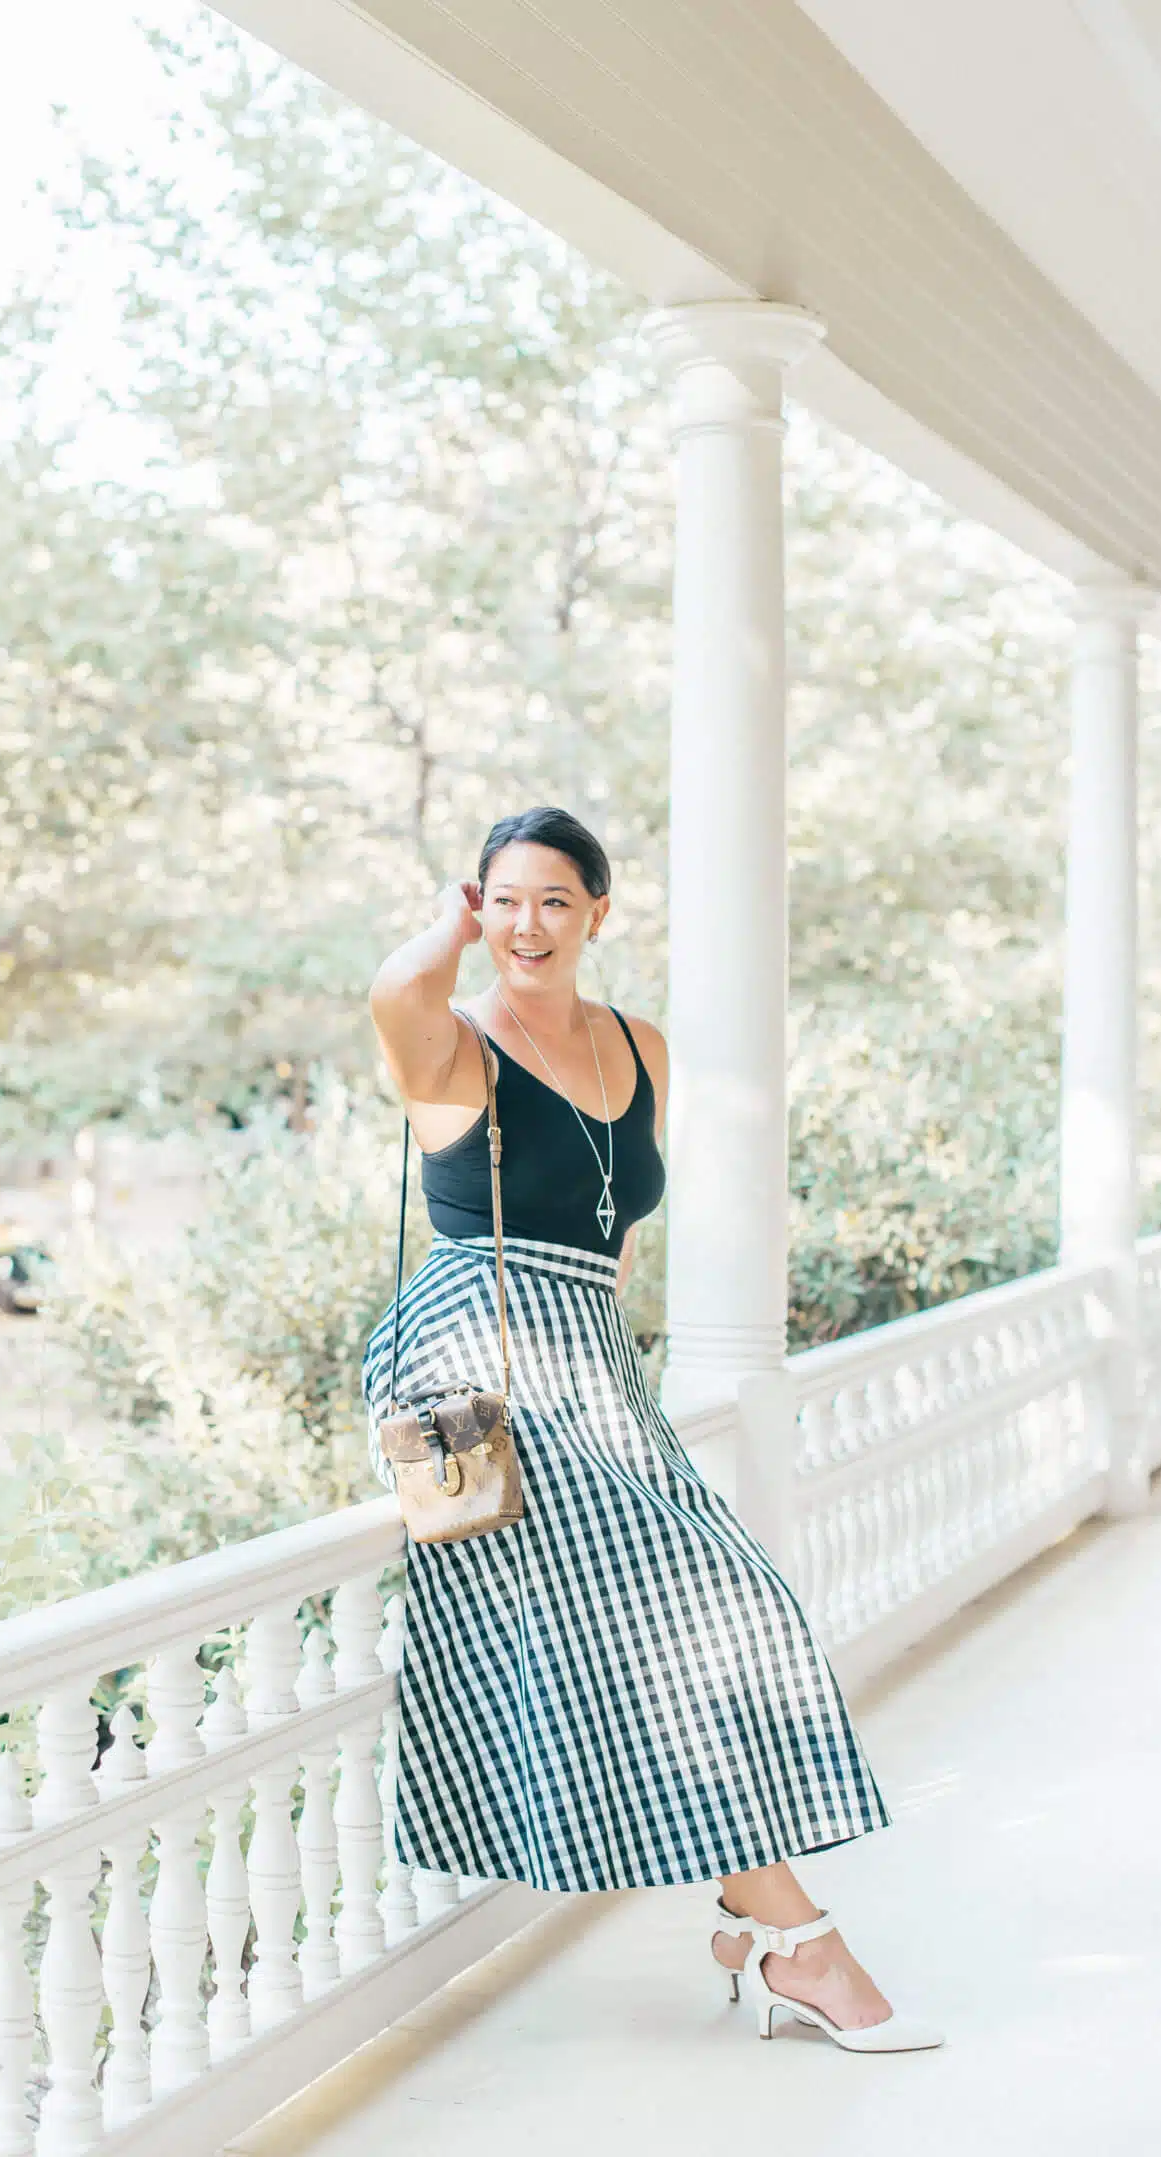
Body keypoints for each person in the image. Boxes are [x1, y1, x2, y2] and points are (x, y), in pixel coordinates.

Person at [363, 805, 941, 2054]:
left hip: (592, 1357)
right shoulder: (456, 1046)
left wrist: (614, 1349)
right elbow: (394, 988)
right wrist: (452, 924)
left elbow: (620, 1218)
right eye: (504, 900)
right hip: (481, 1352)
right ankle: (799, 1943)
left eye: (554, 902)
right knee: (677, 1605)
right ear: (478, 906)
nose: (529, 924)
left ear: (597, 915)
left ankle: (751, 1910)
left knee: (740, 1607)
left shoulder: (643, 1048)